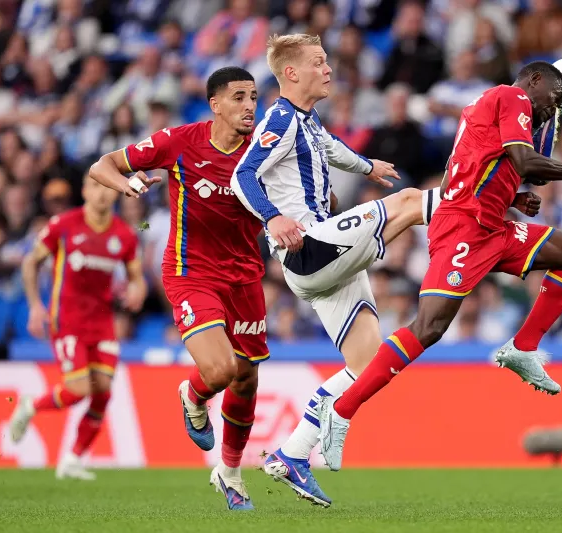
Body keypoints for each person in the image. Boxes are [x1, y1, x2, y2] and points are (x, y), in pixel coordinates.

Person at [317, 61, 562, 473]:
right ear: (535, 79)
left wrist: (512, 199)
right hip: (463, 226)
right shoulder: (511, 95)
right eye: (554, 97)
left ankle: (523, 348)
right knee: (429, 328)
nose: (552, 109)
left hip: (493, 225)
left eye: (560, 107)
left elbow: (470, 166)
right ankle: (342, 410)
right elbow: (527, 164)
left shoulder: (496, 105)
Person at [231, 33, 443, 508]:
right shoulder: (280, 119)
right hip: (310, 247)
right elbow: (242, 175)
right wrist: (274, 216)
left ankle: (291, 454)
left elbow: (328, 147)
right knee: (410, 202)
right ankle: (481, 212)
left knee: (368, 365)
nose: (328, 70)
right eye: (318, 62)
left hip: (323, 258)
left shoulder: (306, 120)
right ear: (291, 73)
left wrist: (367, 166)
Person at [88, 67, 264, 511]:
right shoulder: (179, 140)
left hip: (245, 275)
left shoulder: (266, 150)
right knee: (221, 371)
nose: (249, 106)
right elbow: (102, 164)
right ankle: (193, 393)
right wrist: (127, 184)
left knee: (246, 378)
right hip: (192, 271)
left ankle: (231, 472)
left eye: (254, 97)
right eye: (239, 97)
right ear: (215, 104)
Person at [8, 175, 145, 481]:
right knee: (79, 389)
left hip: (102, 323)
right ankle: (30, 406)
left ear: (115, 195)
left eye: (107, 189)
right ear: (84, 190)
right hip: (67, 319)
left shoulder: (124, 235)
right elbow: (31, 263)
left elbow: (137, 278)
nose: (100, 194)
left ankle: (72, 459)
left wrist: (137, 290)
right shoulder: (63, 224)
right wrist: (34, 305)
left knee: (104, 393)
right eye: (95, 187)